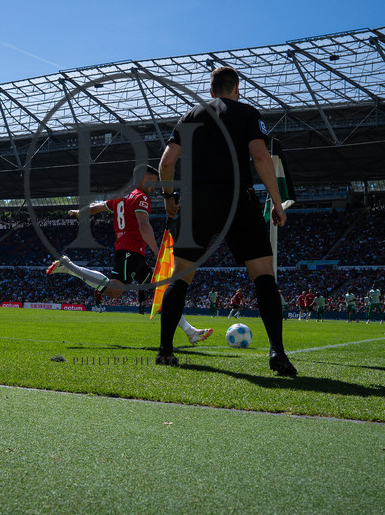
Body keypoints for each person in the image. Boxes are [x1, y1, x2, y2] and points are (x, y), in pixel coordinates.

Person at [156, 66, 296, 375]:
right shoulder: (246, 112)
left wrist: (169, 199)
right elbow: (260, 157)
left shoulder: (190, 116)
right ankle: (278, 353)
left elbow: (166, 163)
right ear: (236, 89)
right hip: (238, 198)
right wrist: (276, 202)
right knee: (263, 275)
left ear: (210, 91)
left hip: (197, 201)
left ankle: (165, 350)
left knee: (180, 277)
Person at [47, 165, 213, 345]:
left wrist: (80, 212)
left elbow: (96, 207)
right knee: (114, 291)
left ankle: (190, 332)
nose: (154, 187)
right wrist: (158, 252)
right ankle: (69, 267)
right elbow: (144, 226)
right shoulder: (141, 198)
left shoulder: (121, 197)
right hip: (130, 252)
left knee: (162, 291)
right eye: (152, 182)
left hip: (130, 252)